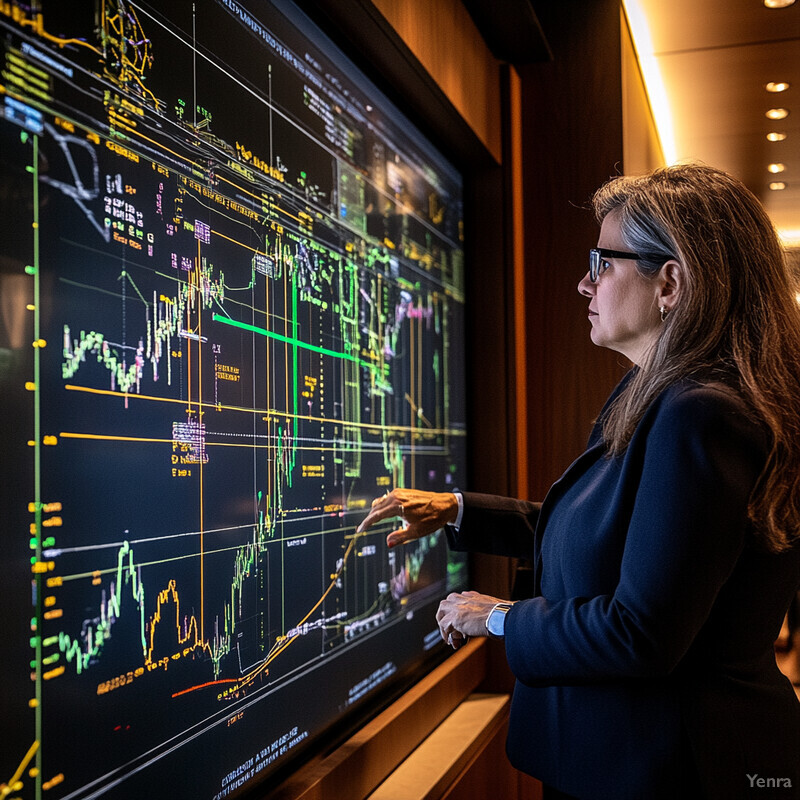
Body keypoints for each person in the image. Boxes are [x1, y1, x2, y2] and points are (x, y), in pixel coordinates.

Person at [357, 164, 800, 799]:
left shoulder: (701, 413)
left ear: (670, 281)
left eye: (603, 262)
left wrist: (502, 618)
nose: (583, 282)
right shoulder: (664, 395)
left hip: (674, 769)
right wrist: (458, 510)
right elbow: (616, 538)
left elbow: (640, 632)